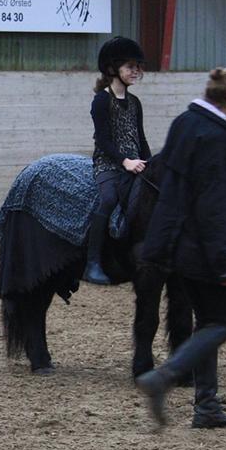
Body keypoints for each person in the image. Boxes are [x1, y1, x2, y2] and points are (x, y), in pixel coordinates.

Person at [135, 67, 226, 430]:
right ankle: (164, 377)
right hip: (204, 250)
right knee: (221, 324)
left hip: (175, 246)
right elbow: (215, 206)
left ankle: (206, 406)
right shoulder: (218, 138)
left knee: (206, 323)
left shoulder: (184, 122)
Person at [84, 36, 152, 285]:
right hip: (109, 164)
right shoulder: (102, 100)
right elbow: (102, 140)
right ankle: (92, 263)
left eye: (137, 66)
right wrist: (124, 161)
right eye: (130, 66)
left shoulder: (135, 102)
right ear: (113, 68)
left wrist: (150, 163)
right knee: (109, 199)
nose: (135, 71)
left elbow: (141, 138)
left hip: (135, 162)